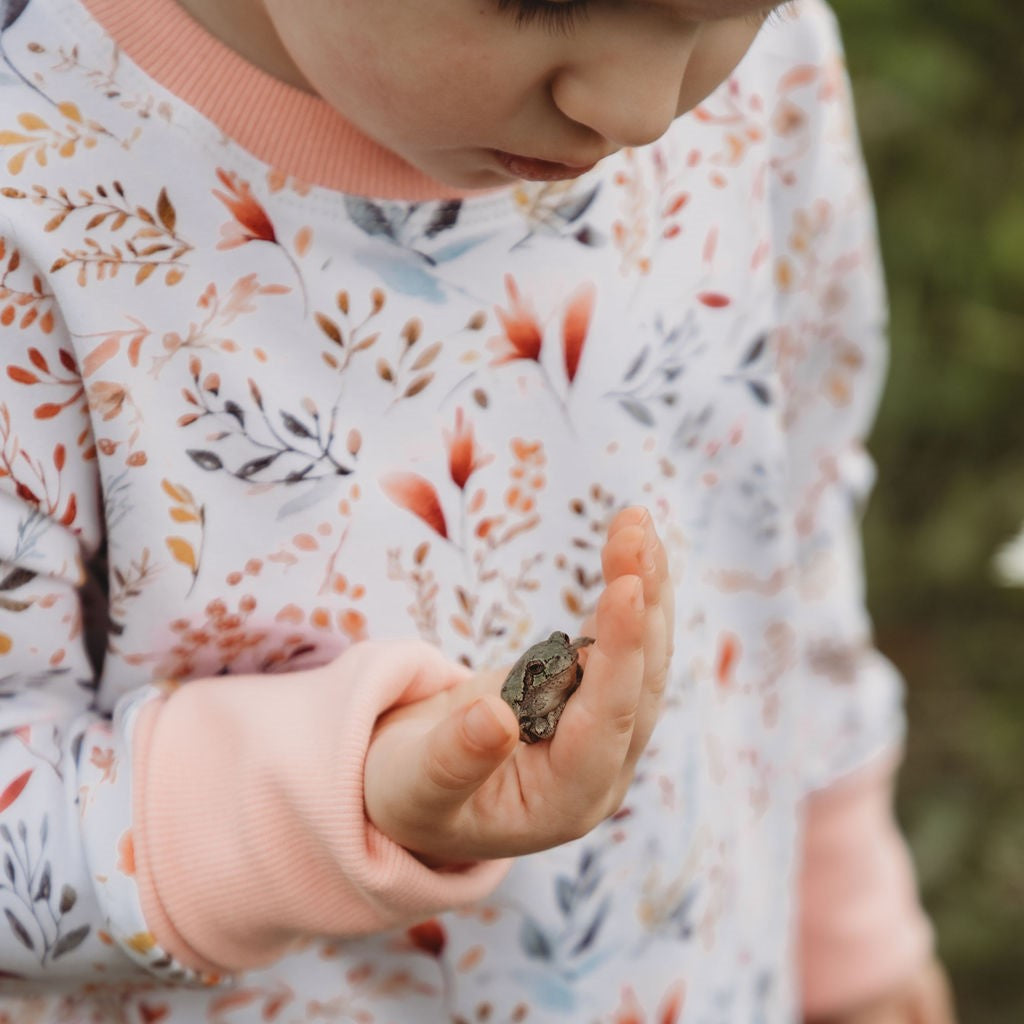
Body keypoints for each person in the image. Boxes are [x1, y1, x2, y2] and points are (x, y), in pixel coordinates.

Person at [0, 0, 958, 1020]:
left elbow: (785, 510)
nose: (639, 110)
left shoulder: (769, 75)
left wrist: (841, 902)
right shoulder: (44, 182)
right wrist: (340, 799)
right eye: (543, 1)